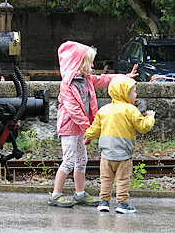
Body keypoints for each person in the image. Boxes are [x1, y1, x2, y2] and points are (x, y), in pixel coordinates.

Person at [48, 41, 134, 207]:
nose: (93, 65)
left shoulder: (87, 79)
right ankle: (55, 194)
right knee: (69, 160)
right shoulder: (67, 85)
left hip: (83, 129)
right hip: (70, 129)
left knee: (81, 160)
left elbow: (104, 79)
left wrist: (124, 77)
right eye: (90, 62)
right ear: (79, 63)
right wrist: (90, 130)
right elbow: (74, 112)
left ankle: (79, 194)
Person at [85, 75, 156, 214]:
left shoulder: (104, 110)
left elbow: (95, 129)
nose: (136, 94)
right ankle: (122, 204)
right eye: (134, 91)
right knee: (123, 180)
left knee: (106, 179)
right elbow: (142, 127)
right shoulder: (131, 110)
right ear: (124, 92)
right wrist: (150, 118)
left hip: (106, 154)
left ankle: (103, 202)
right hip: (124, 155)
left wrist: (87, 136)